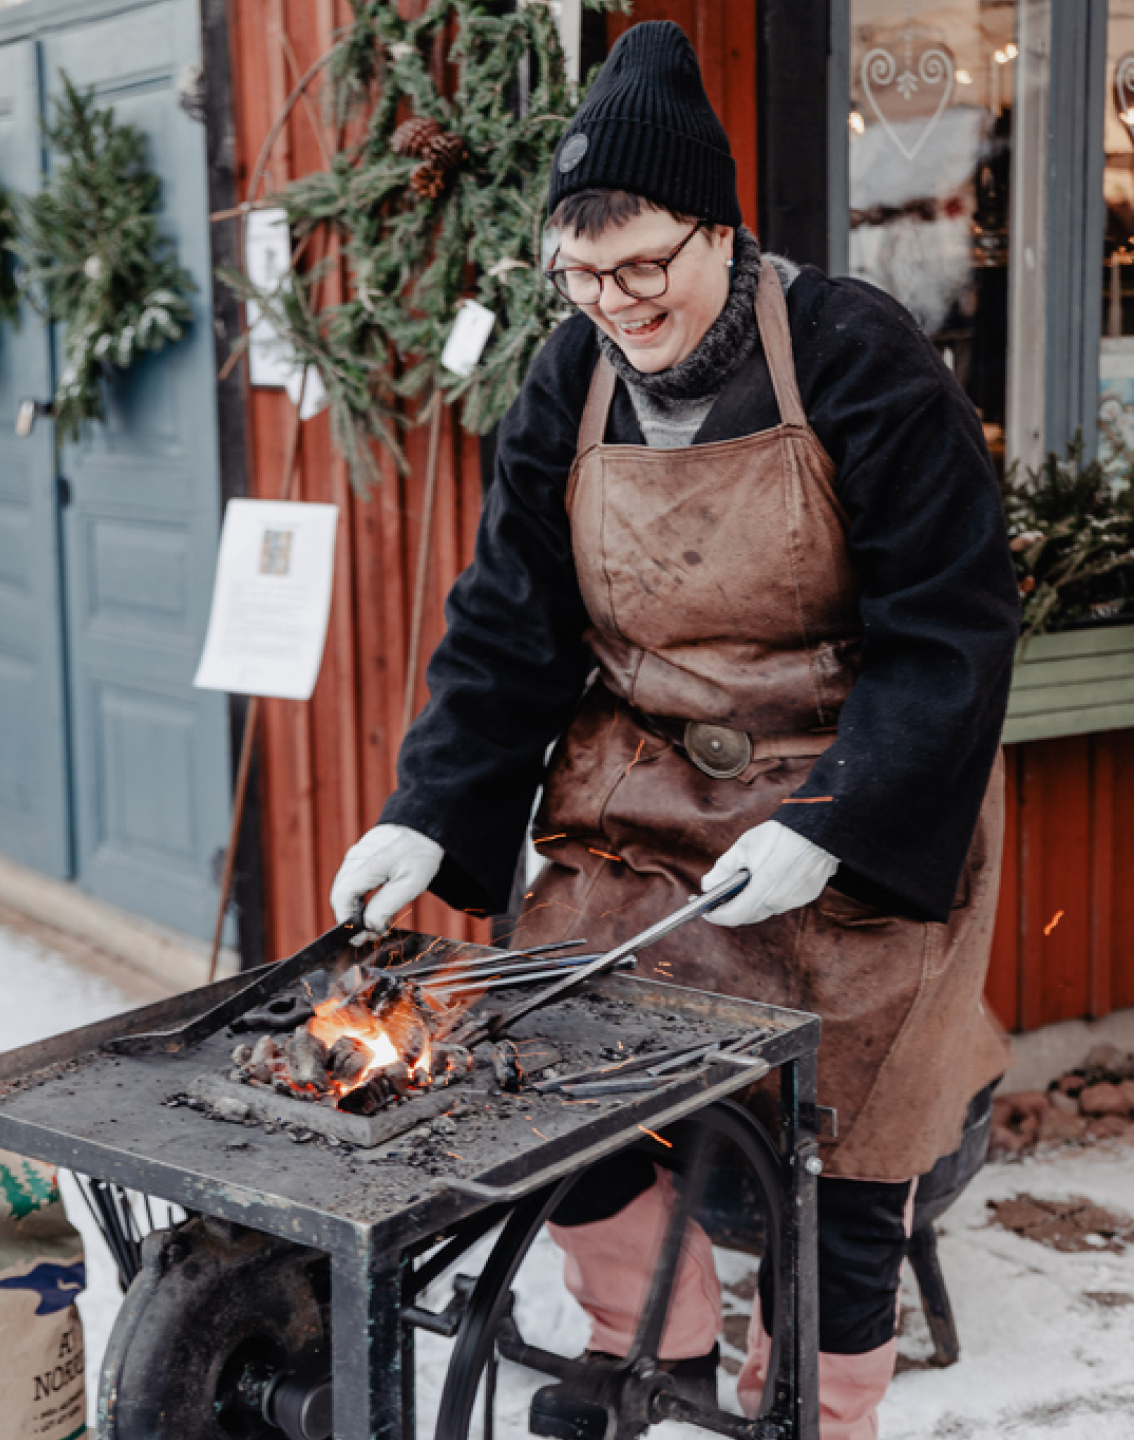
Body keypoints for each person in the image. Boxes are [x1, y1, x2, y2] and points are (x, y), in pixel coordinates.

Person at [329, 24, 1015, 1440]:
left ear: (721, 230)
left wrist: (833, 825)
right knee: (537, 1059)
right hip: (640, 790)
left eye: (645, 265)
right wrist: (425, 805)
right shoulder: (567, 373)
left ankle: (815, 1408)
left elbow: (951, 627)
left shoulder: (853, 354)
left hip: (857, 781)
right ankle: (661, 1345)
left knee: (852, 1139)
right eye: (584, 275)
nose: (617, 302)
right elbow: (510, 620)